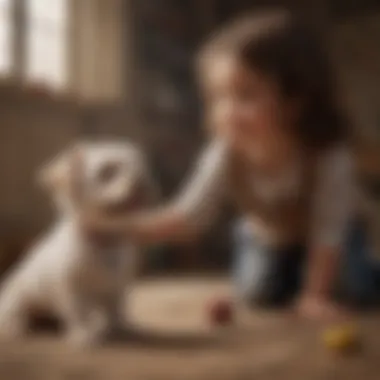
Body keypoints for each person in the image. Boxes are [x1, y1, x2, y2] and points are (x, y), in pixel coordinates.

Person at [78, 9, 379, 321]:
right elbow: (187, 218)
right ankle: (292, 273)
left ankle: (352, 272)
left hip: (333, 238)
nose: (228, 112)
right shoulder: (223, 152)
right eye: (218, 97)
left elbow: (328, 231)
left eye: (245, 95)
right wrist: (115, 229)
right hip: (269, 237)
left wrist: (314, 297)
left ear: (294, 101)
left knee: (355, 289)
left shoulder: (328, 156)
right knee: (260, 295)